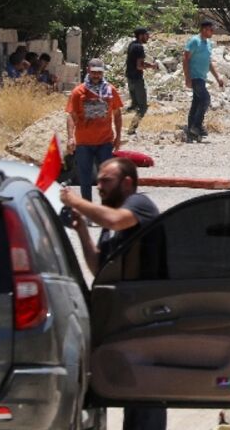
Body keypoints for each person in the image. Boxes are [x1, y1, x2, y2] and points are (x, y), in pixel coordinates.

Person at [60, 158, 166, 430]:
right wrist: (82, 230)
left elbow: (114, 220)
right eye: (98, 181)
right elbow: (99, 266)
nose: (99, 186)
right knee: (128, 393)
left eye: (106, 180)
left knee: (146, 398)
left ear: (127, 183)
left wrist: (75, 201)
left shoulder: (138, 205)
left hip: (148, 318)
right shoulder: (112, 218)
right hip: (123, 318)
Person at [66, 58, 124, 204]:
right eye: (93, 72)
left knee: (107, 177)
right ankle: (88, 208)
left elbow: (117, 114)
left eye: (99, 72)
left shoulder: (110, 90)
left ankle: (107, 207)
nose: (96, 75)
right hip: (84, 143)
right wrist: (70, 138)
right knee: (85, 178)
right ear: (88, 71)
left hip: (105, 141)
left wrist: (118, 137)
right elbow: (71, 116)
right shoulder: (78, 92)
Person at [183, 19, 224, 142]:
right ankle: (197, 126)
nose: (213, 32)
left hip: (202, 77)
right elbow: (185, 59)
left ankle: (191, 131)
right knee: (205, 99)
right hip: (195, 77)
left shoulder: (208, 43)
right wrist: (187, 78)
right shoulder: (195, 41)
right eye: (211, 29)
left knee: (196, 103)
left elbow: (209, 62)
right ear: (204, 29)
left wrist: (218, 77)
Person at [125, 28, 157, 131]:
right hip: (137, 80)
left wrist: (150, 65)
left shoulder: (132, 45)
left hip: (129, 78)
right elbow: (139, 66)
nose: (148, 37)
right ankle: (132, 128)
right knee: (143, 107)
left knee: (134, 105)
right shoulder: (139, 47)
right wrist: (151, 67)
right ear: (140, 35)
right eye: (146, 35)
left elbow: (135, 63)